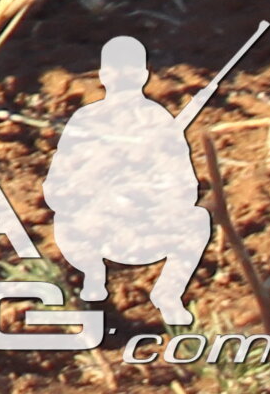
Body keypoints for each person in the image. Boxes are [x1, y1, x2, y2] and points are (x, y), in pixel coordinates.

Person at [41, 34, 214, 322]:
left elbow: (185, 188)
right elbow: (56, 190)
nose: (122, 78)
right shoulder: (86, 120)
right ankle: (91, 283)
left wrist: (145, 191)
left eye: (131, 70)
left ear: (144, 75)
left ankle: (168, 294)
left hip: (145, 223)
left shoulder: (159, 121)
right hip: (94, 226)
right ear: (103, 75)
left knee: (197, 220)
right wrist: (98, 176)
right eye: (114, 70)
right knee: (66, 222)